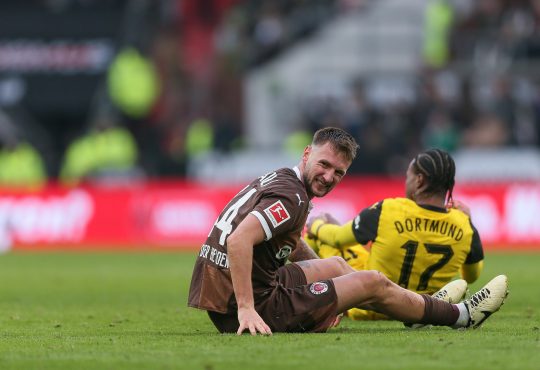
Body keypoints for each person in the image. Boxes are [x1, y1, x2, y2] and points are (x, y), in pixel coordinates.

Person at [188, 127, 508, 335]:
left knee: (340, 268)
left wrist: (333, 284)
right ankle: (462, 315)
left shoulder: (283, 178)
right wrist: (246, 308)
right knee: (371, 281)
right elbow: (239, 239)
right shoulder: (292, 197)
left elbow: (288, 242)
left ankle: (419, 306)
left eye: (338, 172)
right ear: (307, 154)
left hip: (238, 292)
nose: (329, 177)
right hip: (252, 307)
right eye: (324, 165)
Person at [305, 148, 484, 321]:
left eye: (408, 176)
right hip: (423, 308)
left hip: (368, 307)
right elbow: (471, 276)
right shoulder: (464, 224)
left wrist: (317, 225)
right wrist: (468, 224)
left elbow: (338, 238)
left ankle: (304, 297)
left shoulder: (389, 210)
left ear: (419, 180)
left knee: (321, 237)